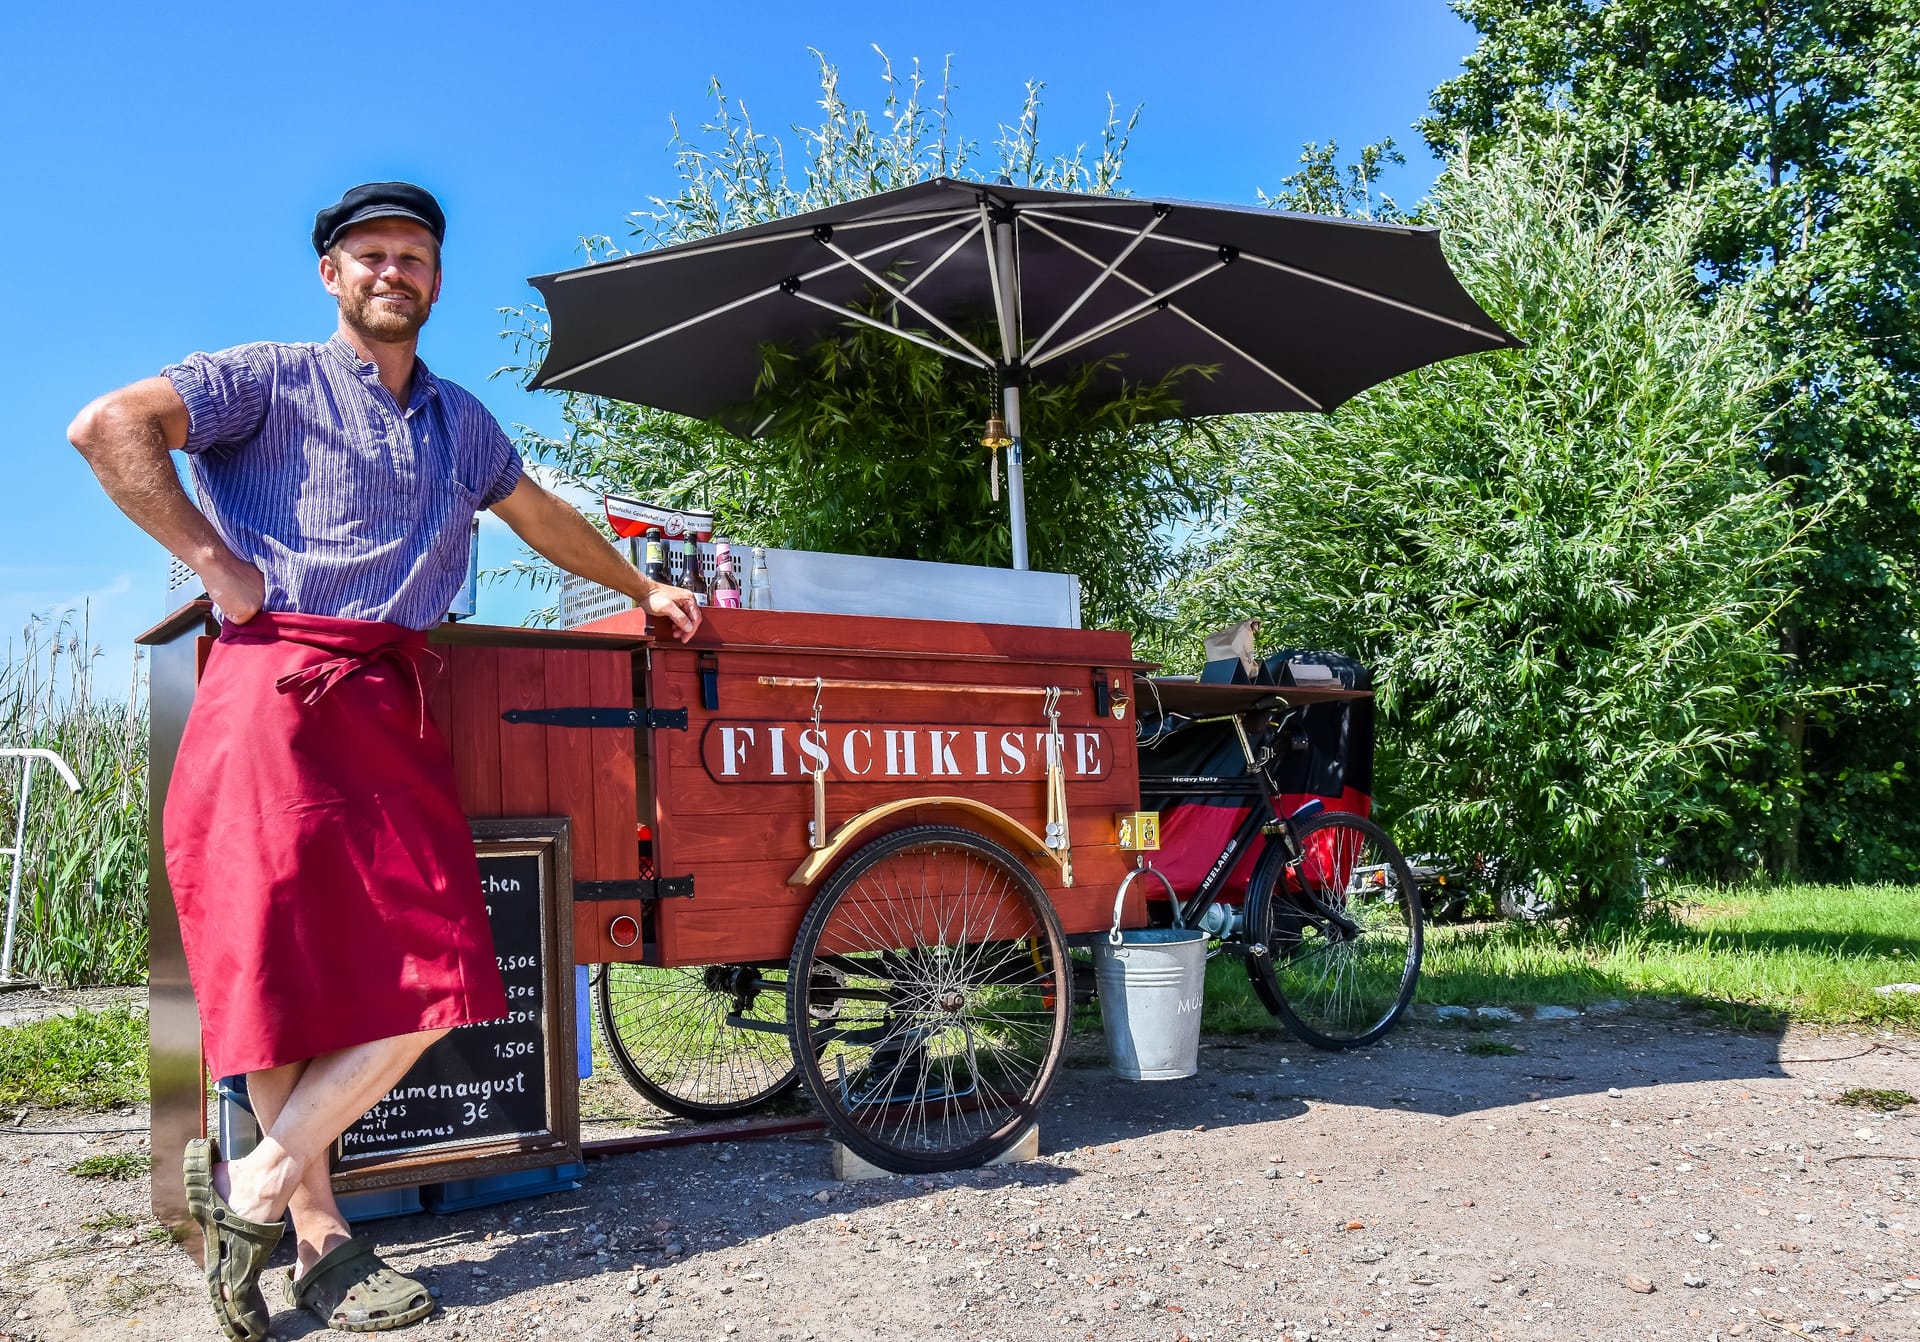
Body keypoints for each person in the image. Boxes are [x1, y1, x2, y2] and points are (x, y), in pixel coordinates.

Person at [67, 182, 700, 1339]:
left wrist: (641, 586)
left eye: (414, 255)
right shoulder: (265, 377)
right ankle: (320, 1241)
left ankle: (253, 1184)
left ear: (436, 278)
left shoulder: (461, 421)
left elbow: (540, 513)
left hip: (392, 699)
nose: (392, 271)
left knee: (447, 957)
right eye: (371, 255)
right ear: (331, 274)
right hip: (276, 688)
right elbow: (107, 425)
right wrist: (216, 565)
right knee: (279, 976)